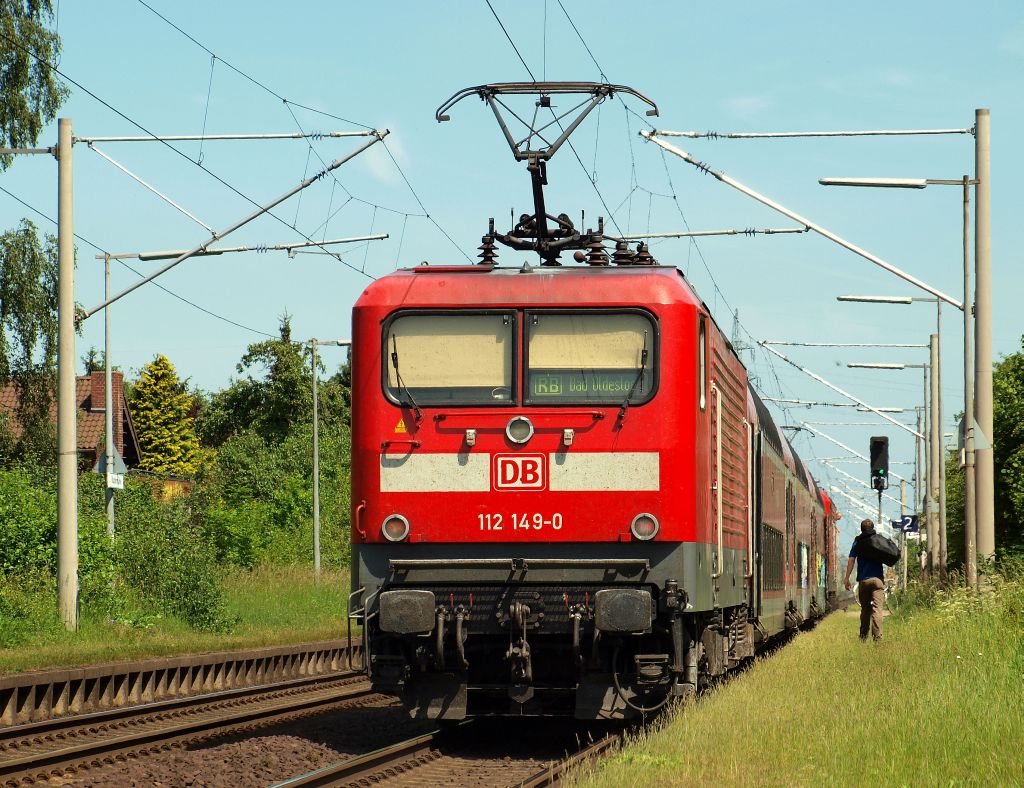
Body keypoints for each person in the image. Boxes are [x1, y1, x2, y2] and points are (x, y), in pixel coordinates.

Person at [844, 519, 885, 642]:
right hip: (878, 580)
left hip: (864, 580)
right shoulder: (878, 539)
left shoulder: (858, 541)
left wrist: (847, 578)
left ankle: (863, 636)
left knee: (865, 609)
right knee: (877, 609)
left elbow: (851, 560)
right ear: (873, 528)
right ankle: (877, 638)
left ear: (861, 529)